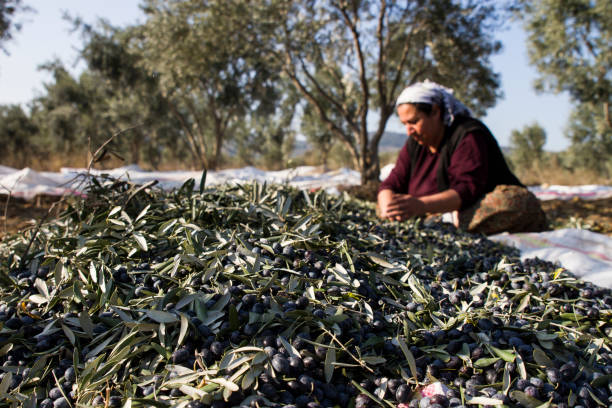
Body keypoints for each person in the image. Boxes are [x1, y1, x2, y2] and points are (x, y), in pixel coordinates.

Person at [377, 80, 547, 235]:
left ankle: (443, 224)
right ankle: (436, 223)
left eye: (414, 121)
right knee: (383, 206)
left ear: (435, 112)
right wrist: (387, 203)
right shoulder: (415, 143)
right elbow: (392, 182)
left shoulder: (467, 135)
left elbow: (467, 189)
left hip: (468, 210)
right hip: (427, 214)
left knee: (514, 203)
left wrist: (421, 205)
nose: (409, 130)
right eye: (404, 124)